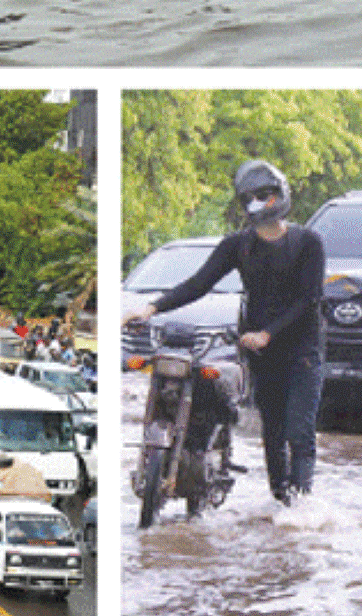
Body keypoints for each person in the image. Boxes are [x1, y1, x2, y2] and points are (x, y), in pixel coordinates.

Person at [123, 160, 325, 504]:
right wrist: (152, 308)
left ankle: (302, 511)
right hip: (263, 354)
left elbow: (308, 300)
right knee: (273, 433)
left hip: (302, 349)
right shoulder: (239, 246)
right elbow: (199, 283)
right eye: (255, 198)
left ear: (282, 196)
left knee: (299, 430)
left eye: (269, 196)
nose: (264, 204)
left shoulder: (308, 243)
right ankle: (281, 504)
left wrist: (268, 333)